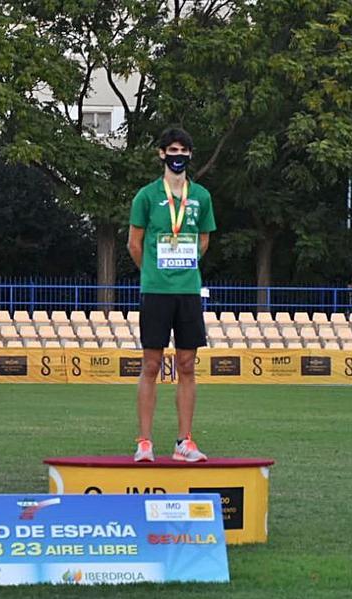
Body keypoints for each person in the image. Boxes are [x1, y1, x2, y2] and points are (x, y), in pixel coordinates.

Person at [127, 127, 216, 463]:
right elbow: (134, 244)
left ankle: (184, 442)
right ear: (162, 154)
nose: (178, 155)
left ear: (190, 155)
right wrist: (153, 272)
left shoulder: (202, 197)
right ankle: (145, 442)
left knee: (187, 363)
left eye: (184, 150)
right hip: (155, 289)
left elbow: (203, 242)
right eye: (172, 150)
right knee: (151, 364)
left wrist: (182, 269)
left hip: (188, 290)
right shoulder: (147, 196)